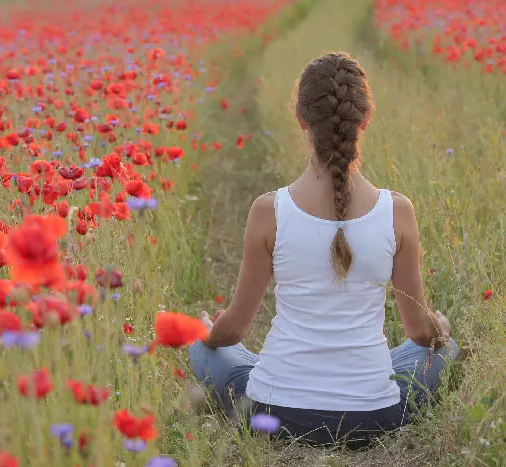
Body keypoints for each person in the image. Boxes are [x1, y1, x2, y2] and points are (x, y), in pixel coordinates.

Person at [188, 51, 458, 449]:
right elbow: (420, 332)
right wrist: (441, 329)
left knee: (201, 346)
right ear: (364, 120)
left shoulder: (269, 211)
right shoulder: (397, 211)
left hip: (275, 412)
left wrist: (209, 333)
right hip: (374, 416)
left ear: (301, 120)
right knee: (443, 349)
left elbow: (235, 331)